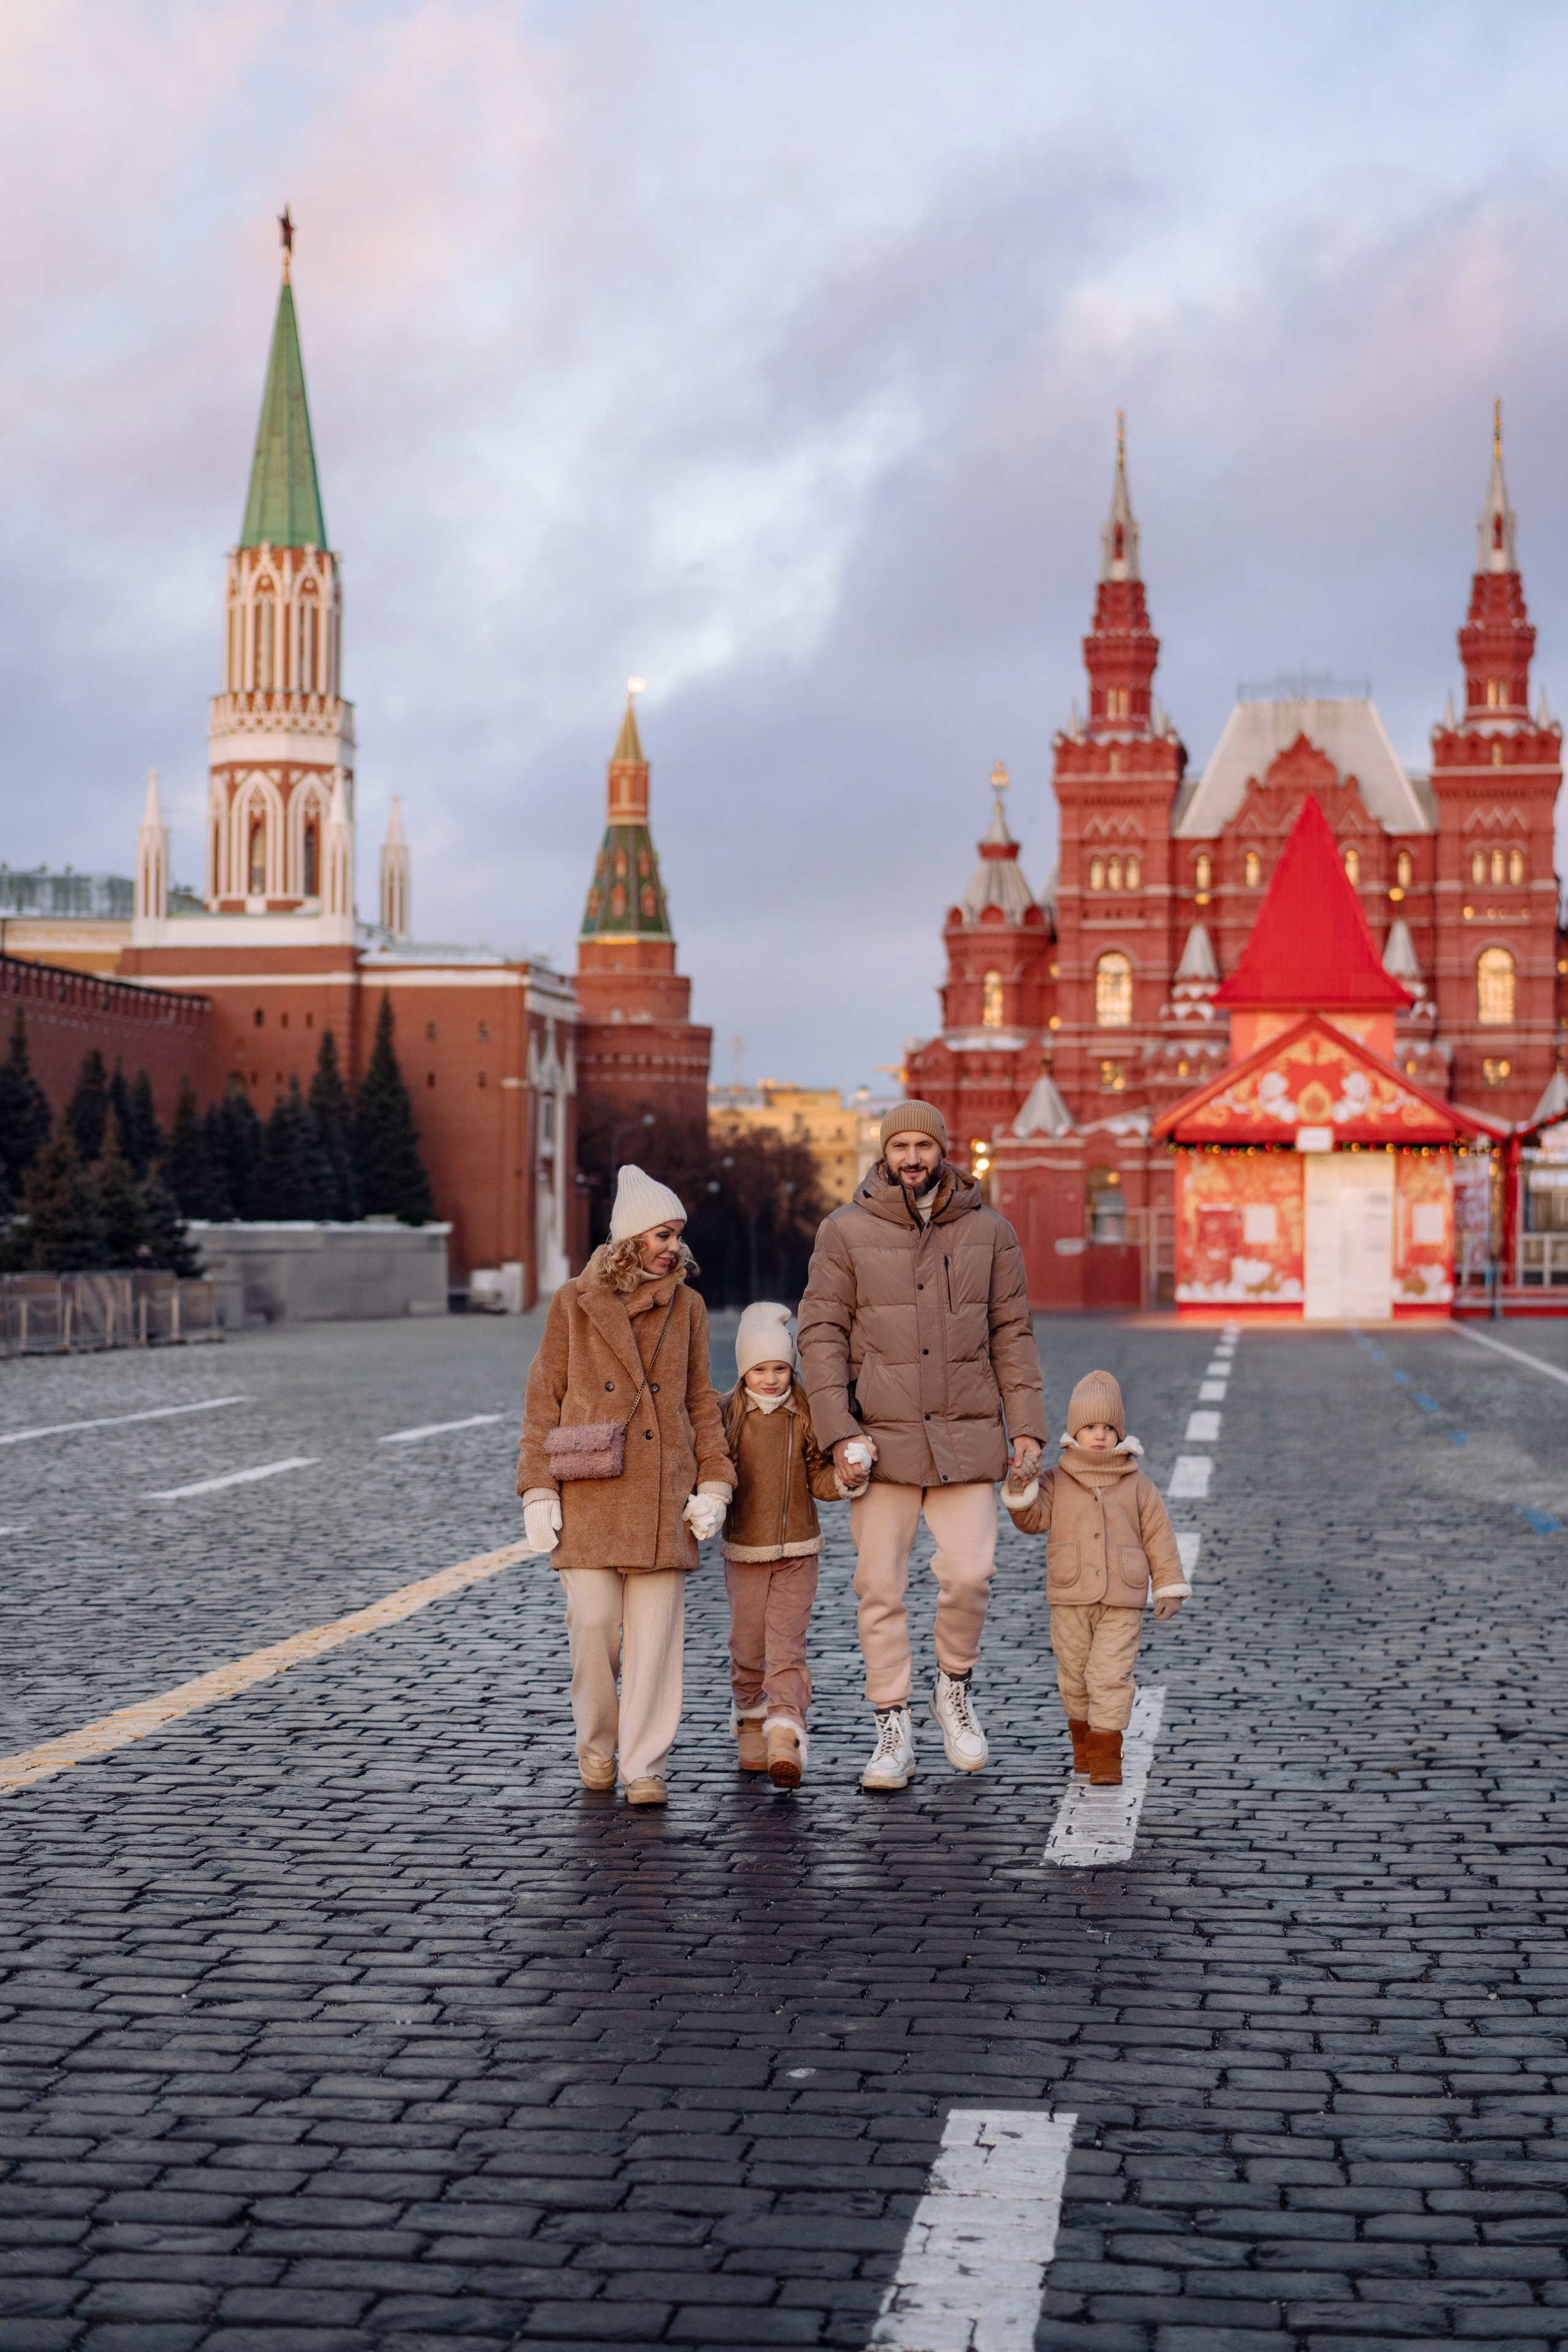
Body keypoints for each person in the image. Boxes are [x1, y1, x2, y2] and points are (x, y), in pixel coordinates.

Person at [797, 1099, 1047, 1792]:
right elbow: (821, 1335)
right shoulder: (843, 1231)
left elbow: (1012, 1332)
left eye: (924, 1146)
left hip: (967, 1434)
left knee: (970, 1574)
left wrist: (1026, 1425)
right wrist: (838, 1430)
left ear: (943, 1151)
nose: (912, 1158)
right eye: (900, 1146)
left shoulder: (990, 1232)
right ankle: (892, 1726)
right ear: (885, 1153)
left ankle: (952, 1689)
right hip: (880, 1440)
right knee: (879, 1587)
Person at [517, 1164, 734, 1806]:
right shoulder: (573, 1302)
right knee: (593, 1625)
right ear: (631, 1238)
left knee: (656, 1644)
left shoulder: (688, 1307)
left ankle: (644, 1766)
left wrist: (715, 1482)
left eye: (678, 1235)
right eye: (663, 1235)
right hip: (589, 1487)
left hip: (664, 1491)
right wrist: (537, 1488)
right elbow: (543, 1396)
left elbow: (701, 1402)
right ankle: (596, 1746)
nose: (674, 1247)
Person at [1001, 1367, 1189, 1786]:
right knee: (1074, 1678)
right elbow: (1032, 1520)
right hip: (1070, 1597)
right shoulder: (1056, 1480)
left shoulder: (1138, 1484)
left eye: (1108, 1427)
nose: (1100, 1435)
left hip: (1123, 1598)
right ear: (1075, 1432)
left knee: (1110, 1675)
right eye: (1090, 1427)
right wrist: (1020, 1486)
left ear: (1120, 1433)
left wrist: (1168, 1586)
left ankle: (1106, 1757)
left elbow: (1159, 1535)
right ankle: (1084, 1747)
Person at [718, 1300, 842, 1790]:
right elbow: (711, 1468)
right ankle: (751, 1720)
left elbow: (819, 1477)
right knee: (748, 1646)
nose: (771, 1380)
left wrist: (846, 1479)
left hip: (798, 1551)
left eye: (780, 1369)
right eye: (760, 1369)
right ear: (743, 1371)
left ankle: (786, 1732)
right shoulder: (727, 1415)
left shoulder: (804, 1412)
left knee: (787, 1647)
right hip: (745, 1551)